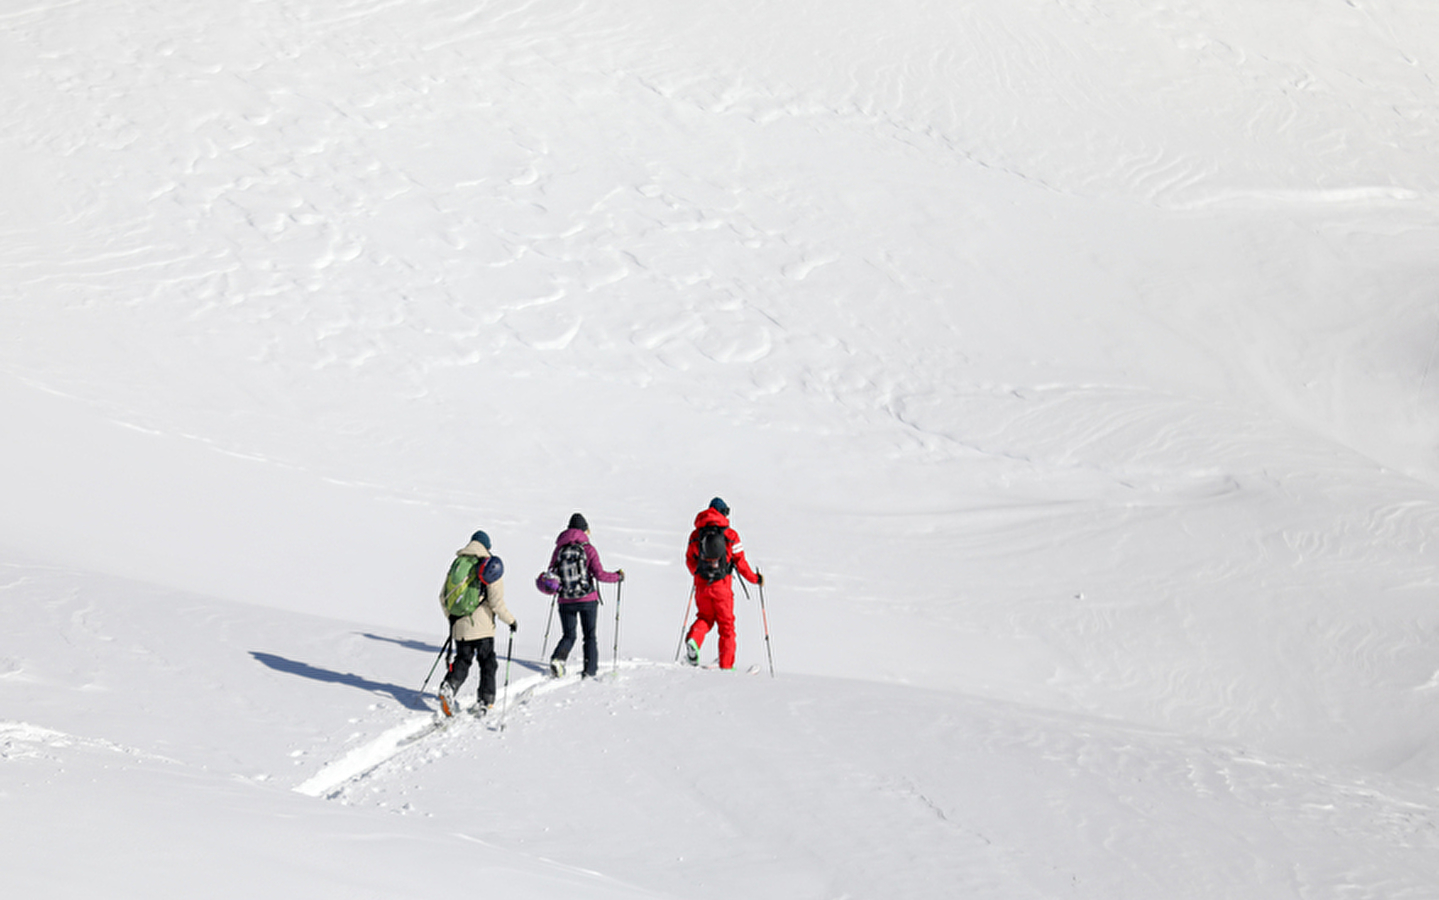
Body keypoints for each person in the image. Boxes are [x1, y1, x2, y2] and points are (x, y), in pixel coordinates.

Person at [437, 530, 517, 717]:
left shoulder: (458, 564)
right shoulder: (489, 565)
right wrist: (511, 621)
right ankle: (485, 700)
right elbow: (496, 603)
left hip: (459, 625)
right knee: (488, 663)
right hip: (483, 627)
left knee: (463, 660)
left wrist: (452, 618)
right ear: (487, 547)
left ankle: (449, 685)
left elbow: (443, 597)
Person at [541, 513, 624, 678]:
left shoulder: (559, 549)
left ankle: (558, 659)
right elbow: (599, 574)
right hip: (587, 599)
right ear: (584, 530)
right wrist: (618, 576)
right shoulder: (588, 549)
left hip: (565, 600)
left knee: (569, 634)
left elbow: (552, 573)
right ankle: (590, 670)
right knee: (590, 636)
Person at [684, 497, 761, 670]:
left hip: (702, 586)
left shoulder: (696, 535)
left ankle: (693, 640)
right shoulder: (730, 535)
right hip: (722, 587)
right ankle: (726, 667)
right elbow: (741, 563)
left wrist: (698, 575)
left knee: (705, 617)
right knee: (726, 627)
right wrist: (756, 579)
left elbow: (690, 560)